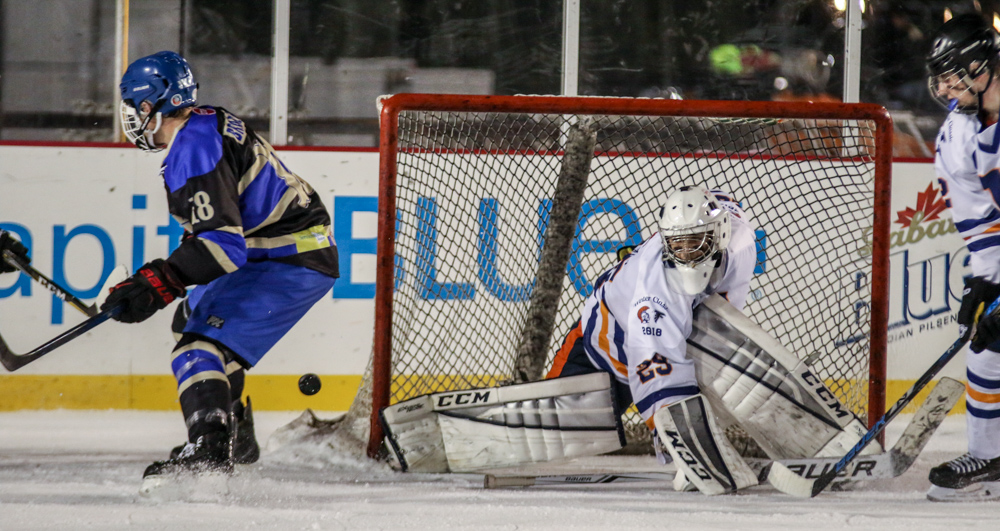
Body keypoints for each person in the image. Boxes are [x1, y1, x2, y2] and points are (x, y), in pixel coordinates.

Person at [107, 51, 339, 483]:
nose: (130, 119)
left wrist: (162, 280)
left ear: (149, 106)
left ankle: (210, 450)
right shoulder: (205, 122)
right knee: (187, 321)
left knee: (196, 350)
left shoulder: (193, 149)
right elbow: (220, 227)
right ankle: (236, 433)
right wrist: (166, 281)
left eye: (132, 108)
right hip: (275, 249)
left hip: (285, 259)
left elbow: (223, 247)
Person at [546, 186, 759, 492]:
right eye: (677, 244)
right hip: (604, 347)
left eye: (695, 243)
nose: (685, 254)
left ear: (719, 233)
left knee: (714, 363)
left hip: (677, 336)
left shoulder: (739, 243)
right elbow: (655, 365)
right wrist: (683, 447)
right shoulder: (657, 285)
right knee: (555, 434)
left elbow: (724, 203)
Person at [924, 13, 1000, 502]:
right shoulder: (959, 133)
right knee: (988, 350)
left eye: (955, 76)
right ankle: (989, 459)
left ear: (982, 67)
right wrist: (986, 279)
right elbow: (981, 221)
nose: (948, 88)